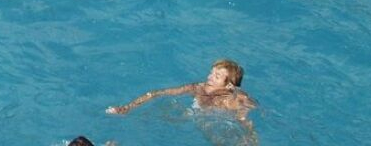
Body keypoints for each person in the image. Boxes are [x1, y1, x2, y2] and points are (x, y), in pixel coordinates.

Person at [106, 59, 257, 123]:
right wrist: (127, 107)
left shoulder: (234, 98)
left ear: (229, 85)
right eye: (211, 72)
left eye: (217, 76)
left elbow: (250, 109)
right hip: (200, 118)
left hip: (222, 121)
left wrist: (243, 115)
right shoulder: (197, 88)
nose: (209, 77)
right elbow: (158, 93)